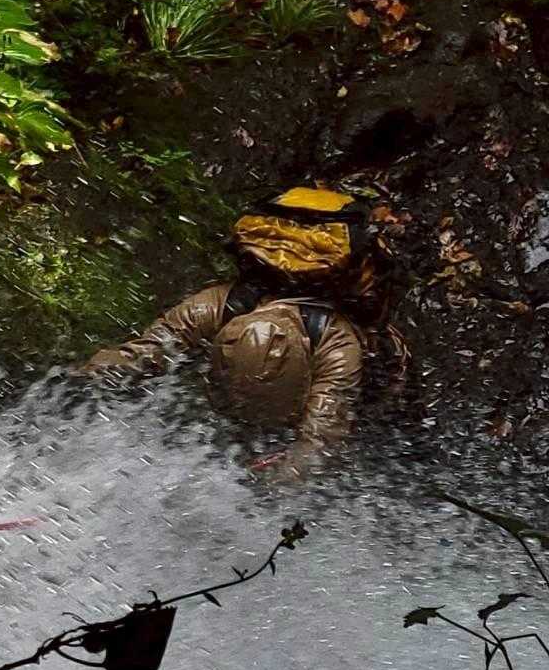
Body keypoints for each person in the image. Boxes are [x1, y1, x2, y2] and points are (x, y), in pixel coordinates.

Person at [83, 185, 403, 476]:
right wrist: (81, 381)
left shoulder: (338, 346)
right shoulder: (218, 306)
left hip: (379, 400)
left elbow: (320, 442)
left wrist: (268, 487)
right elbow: (144, 353)